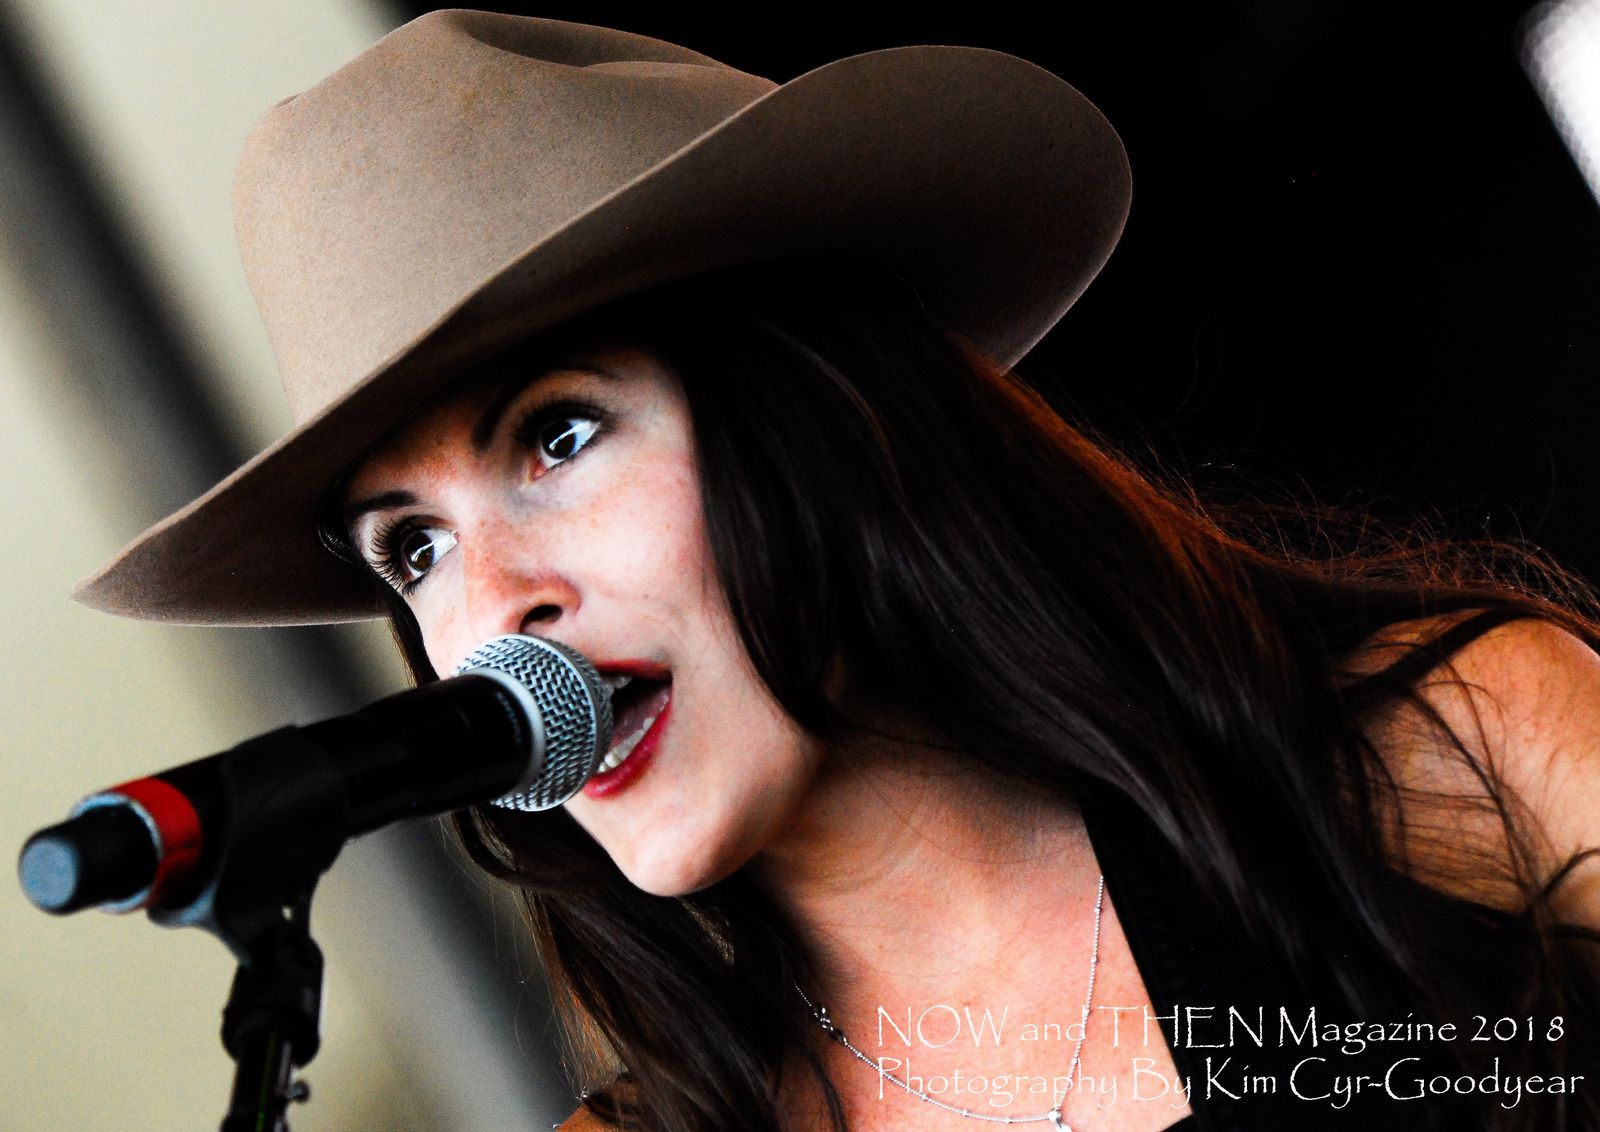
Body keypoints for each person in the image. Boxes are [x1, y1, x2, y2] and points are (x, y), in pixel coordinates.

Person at [74, 11, 1600, 1132]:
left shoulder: (1452, 754)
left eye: (558, 436)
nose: (492, 607)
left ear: (823, 417)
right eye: (414, 548)